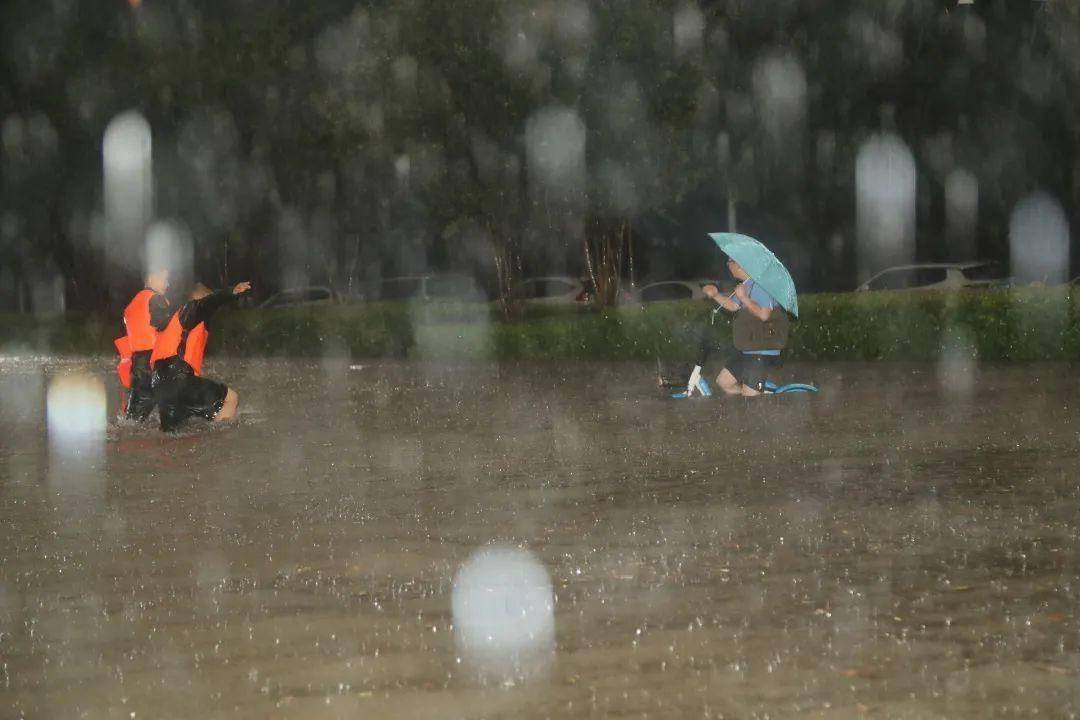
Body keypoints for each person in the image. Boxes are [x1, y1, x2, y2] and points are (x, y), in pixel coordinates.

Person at [150, 281, 251, 432]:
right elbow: (208, 302)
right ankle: (221, 443)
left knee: (173, 434)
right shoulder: (190, 310)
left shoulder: (173, 318)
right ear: (199, 298)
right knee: (231, 398)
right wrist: (231, 291)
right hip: (178, 377)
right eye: (206, 299)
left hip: (159, 382)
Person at [697, 256, 789, 397]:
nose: (728, 265)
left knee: (750, 399)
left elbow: (764, 315)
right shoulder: (746, 284)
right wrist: (715, 294)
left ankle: (755, 401)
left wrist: (744, 298)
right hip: (747, 347)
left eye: (730, 262)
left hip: (761, 349)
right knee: (724, 383)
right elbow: (733, 306)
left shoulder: (761, 286)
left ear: (740, 265)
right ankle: (757, 395)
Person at [117, 268, 172, 420]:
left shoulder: (132, 305)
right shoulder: (156, 299)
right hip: (155, 362)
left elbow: (126, 338)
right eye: (164, 280)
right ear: (152, 278)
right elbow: (166, 326)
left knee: (134, 416)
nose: (167, 284)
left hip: (138, 364)